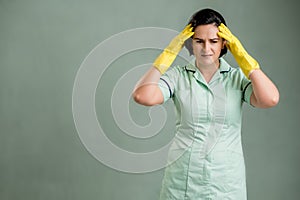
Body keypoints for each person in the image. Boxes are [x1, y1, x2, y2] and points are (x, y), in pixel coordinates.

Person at [132, 8, 279, 200]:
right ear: (191, 43)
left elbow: (270, 99)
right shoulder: (178, 76)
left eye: (214, 41)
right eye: (199, 41)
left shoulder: (236, 78)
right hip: (182, 183)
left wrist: (246, 61)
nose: (206, 48)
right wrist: (166, 56)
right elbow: (143, 96)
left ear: (225, 43)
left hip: (226, 184)